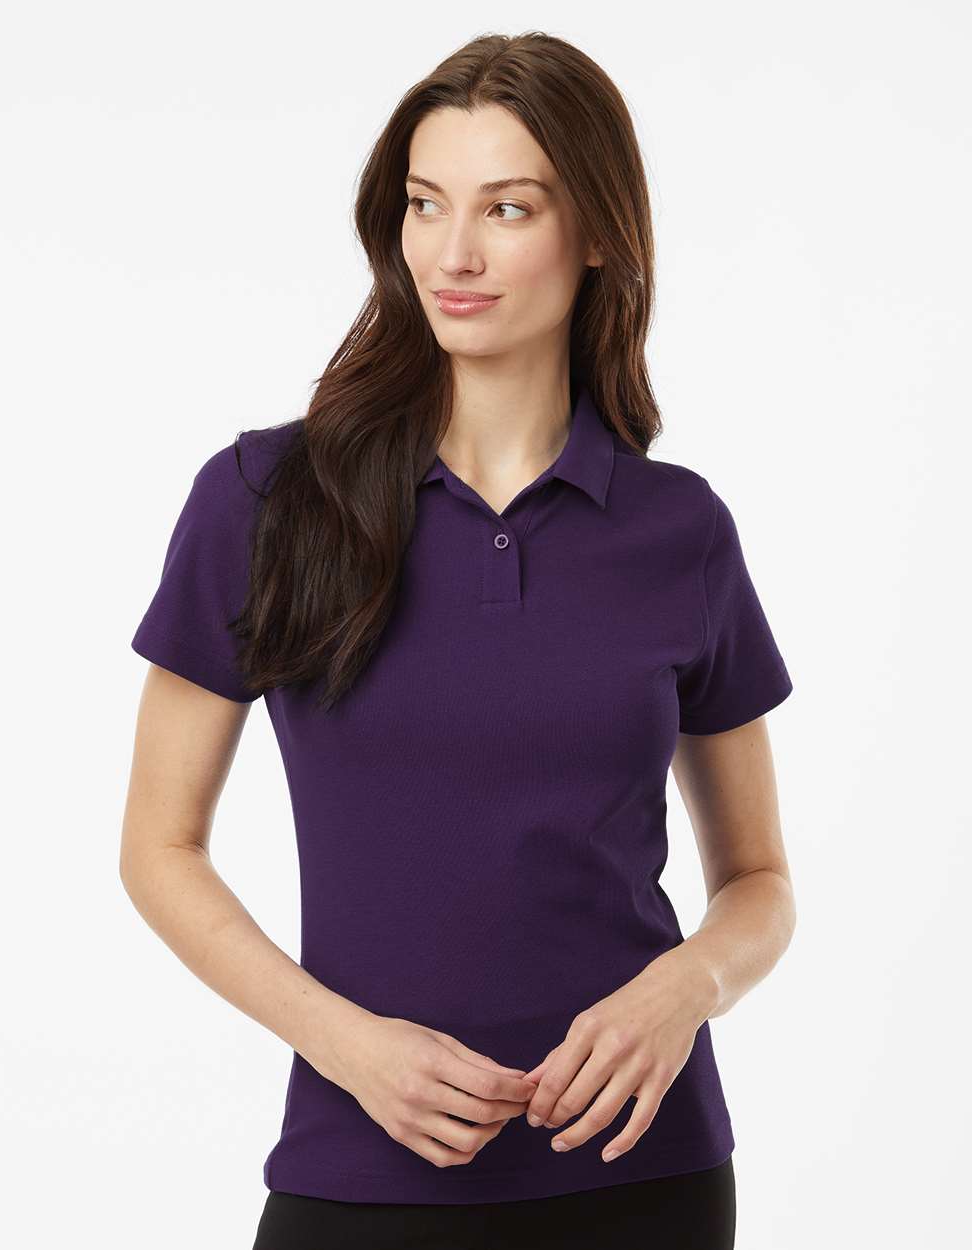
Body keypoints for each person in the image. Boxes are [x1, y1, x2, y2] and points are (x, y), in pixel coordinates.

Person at [121, 30, 795, 1250]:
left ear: (598, 234)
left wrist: (683, 989)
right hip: (358, 1175)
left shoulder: (679, 529)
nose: (453, 253)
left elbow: (758, 882)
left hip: (645, 1180)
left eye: (507, 207)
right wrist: (344, 1043)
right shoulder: (264, 499)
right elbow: (157, 848)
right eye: (426, 204)